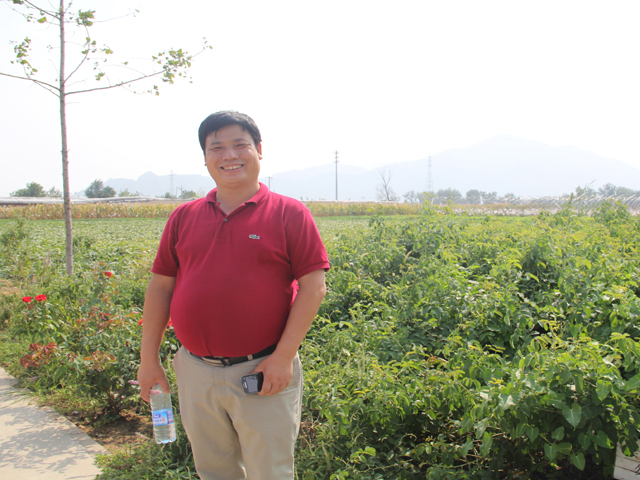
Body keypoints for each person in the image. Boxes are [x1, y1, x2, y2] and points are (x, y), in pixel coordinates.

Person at [137, 111, 330, 480]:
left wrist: (282, 358)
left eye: (240, 145)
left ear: (259, 150)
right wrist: (149, 360)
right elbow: (160, 288)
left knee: (269, 472)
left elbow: (314, 286)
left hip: (262, 370)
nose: (229, 156)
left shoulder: (289, 213)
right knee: (213, 470)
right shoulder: (183, 217)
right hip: (194, 370)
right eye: (217, 148)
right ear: (205, 157)